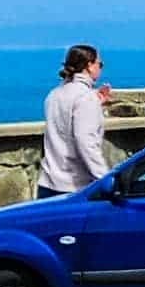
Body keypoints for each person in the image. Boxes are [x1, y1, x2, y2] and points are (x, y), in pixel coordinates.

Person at [38, 44, 113, 194]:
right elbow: (86, 142)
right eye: (100, 64)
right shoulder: (85, 98)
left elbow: (65, 124)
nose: (100, 68)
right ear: (89, 66)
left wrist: (96, 102)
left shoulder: (54, 95)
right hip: (75, 187)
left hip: (47, 184)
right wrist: (106, 180)